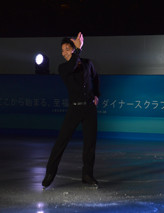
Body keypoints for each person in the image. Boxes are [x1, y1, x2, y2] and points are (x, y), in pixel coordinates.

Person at [42, 32, 100, 189]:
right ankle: (50, 173)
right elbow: (73, 65)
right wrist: (78, 49)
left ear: (73, 49)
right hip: (74, 109)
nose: (64, 53)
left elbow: (95, 79)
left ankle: (87, 175)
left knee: (90, 144)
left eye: (68, 49)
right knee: (61, 142)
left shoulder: (88, 63)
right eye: (63, 50)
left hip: (89, 108)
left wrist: (97, 95)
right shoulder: (63, 68)